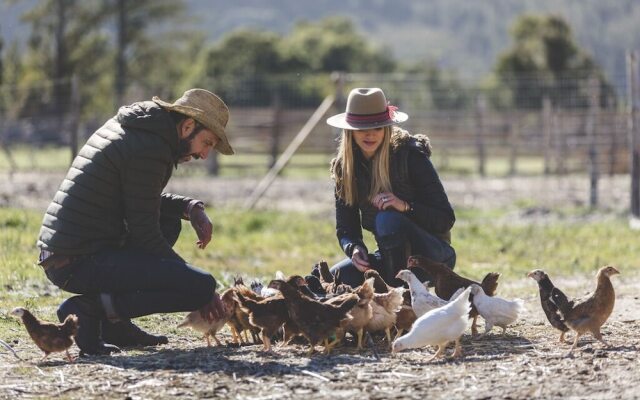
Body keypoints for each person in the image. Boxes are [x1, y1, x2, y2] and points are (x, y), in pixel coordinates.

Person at [37, 88, 232, 356]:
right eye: (207, 143)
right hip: (76, 261)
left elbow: (138, 198)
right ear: (188, 126)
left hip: (71, 253)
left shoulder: (141, 130)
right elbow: (144, 232)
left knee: (170, 223)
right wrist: (196, 284)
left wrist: (190, 207)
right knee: (200, 286)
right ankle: (90, 310)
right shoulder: (149, 148)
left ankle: (114, 324)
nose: (204, 155)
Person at [325, 87, 456, 288]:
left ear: (386, 128)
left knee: (387, 218)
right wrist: (354, 248)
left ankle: (397, 298)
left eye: (377, 127)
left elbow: (445, 219)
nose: (370, 134)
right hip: (389, 258)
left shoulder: (411, 156)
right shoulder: (344, 169)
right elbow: (346, 228)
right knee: (331, 278)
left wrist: (404, 206)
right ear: (350, 130)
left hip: (432, 258)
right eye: (362, 128)